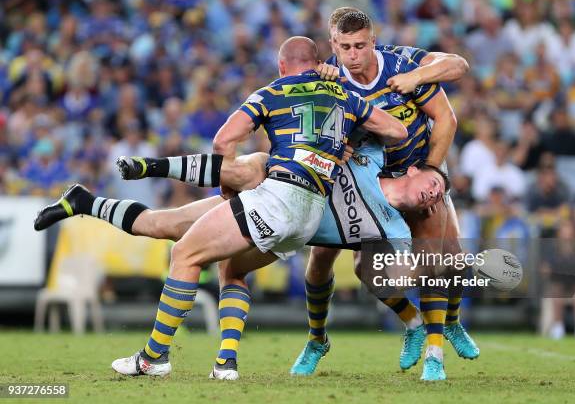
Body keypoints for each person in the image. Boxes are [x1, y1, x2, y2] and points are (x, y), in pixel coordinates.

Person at [34, 36, 411, 379]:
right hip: (308, 215)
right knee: (191, 243)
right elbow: (397, 131)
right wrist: (351, 139)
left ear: (282, 66)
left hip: (277, 197)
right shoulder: (345, 95)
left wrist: (228, 191)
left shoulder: (272, 93)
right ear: (317, 62)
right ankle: (225, 363)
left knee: (184, 254)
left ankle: (153, 357)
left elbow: (222, 141)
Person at [300, 8, 474, 381]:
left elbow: (451, 102)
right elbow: (308, 131)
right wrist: (336, 146)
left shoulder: (403, 64)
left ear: (372, 42)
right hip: (364, 184)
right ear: (333, 44)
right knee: (336, 260)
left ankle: (444, 334)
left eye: (360, 45)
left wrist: (417, 78)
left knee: (448, 260)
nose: (353, 54)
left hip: (419, 169)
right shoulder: (328, 79)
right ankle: (322, 338)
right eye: (344, 46)